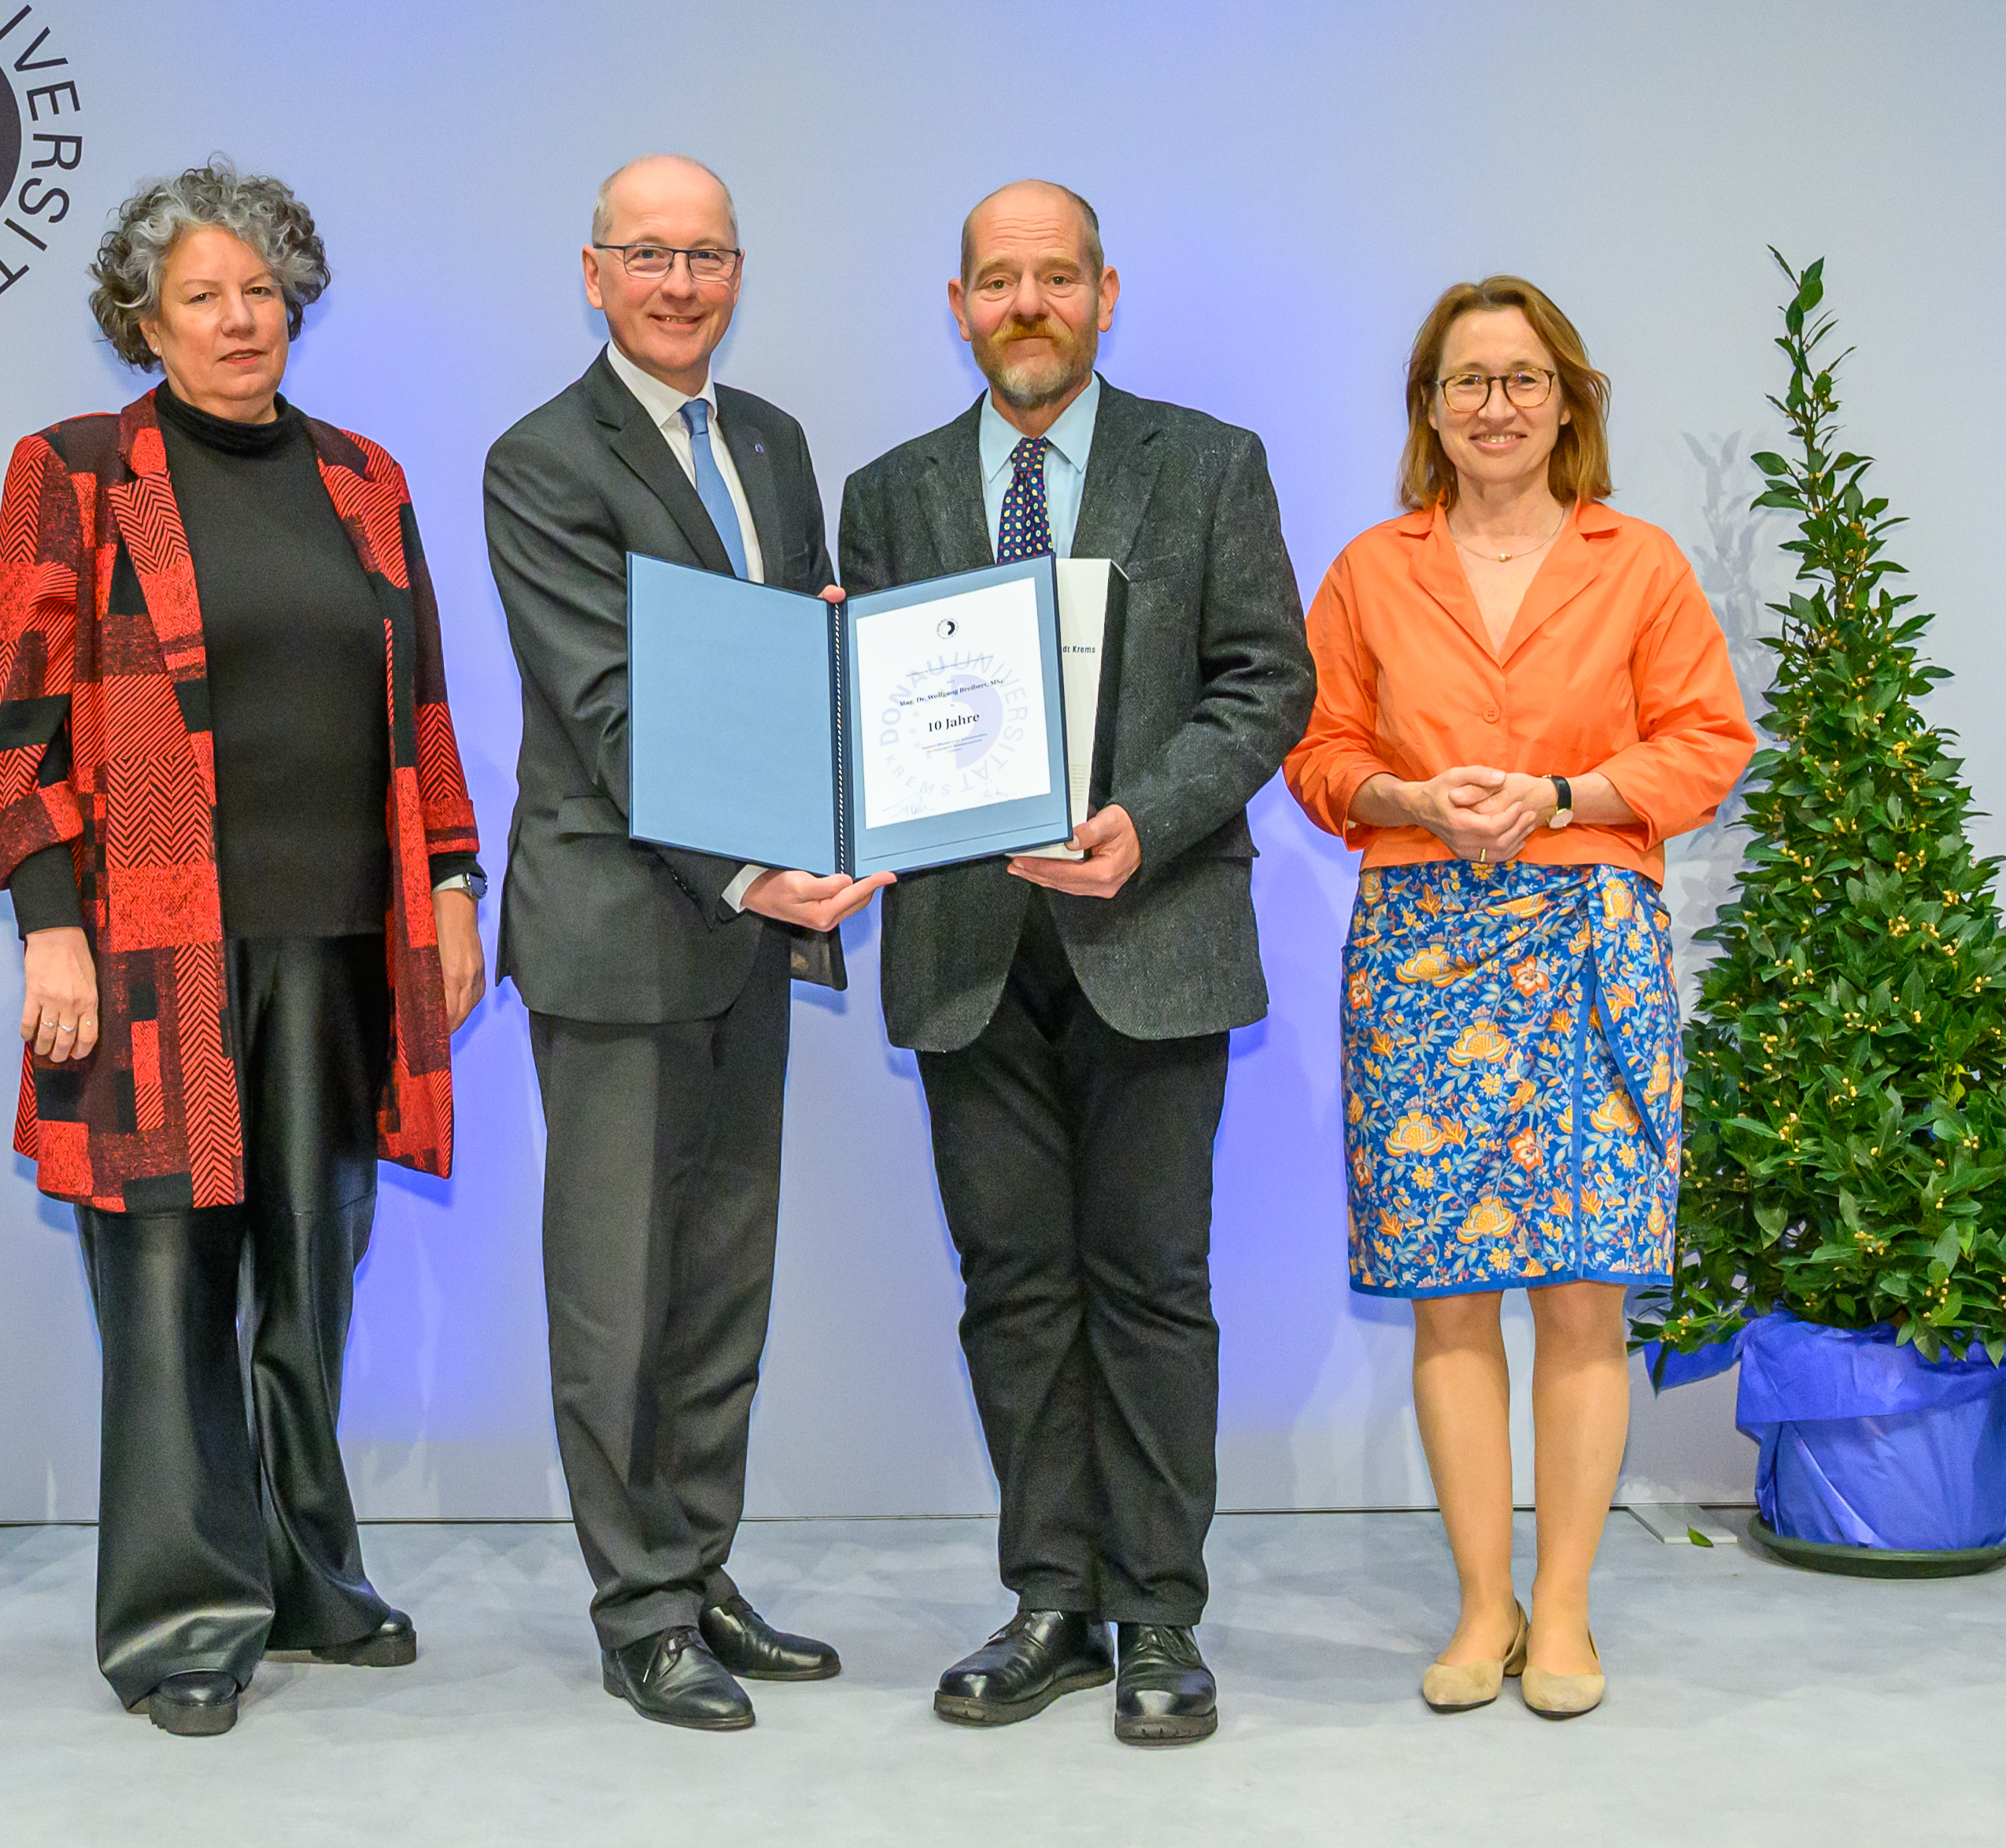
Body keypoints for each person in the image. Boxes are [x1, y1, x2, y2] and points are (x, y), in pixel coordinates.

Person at [0, 161, 486, 1738]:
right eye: (201, 294)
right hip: (147, 953)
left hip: (340, 942)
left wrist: (453, 884)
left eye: (261, 290)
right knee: (169, 1282)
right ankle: (182, 1615)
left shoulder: (364, 479)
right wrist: (49, 927)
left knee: (310, 1271)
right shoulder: (74, 470)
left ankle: (307, 1571)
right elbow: (18, 724)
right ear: (144, 319)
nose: (237, 317)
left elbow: (422, 703)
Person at [837, 181, 1317, 1747]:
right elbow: (873, 711)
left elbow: (1265, 680)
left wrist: (1143, 823)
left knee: (1151, 1282)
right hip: (966, 949)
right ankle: (1050, 1597)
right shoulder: (887, 492)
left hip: (1151, 931)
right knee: (1013, 1287)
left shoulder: (1210, 462)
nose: (1026, 304)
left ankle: (1159, 1610)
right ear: (958, 304)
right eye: (997, 280)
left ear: (1107, 293)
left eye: (1056, 277)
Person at [1284, 275, 1755, 1718]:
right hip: (1419, 946)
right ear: (1428, 410)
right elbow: (1315, 748)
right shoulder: (1370, 569)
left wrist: (1563, 793)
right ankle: (1481, 1605)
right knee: (1448, 1300)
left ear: (1567, 403)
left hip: (1589, 944)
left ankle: (1563, 1611)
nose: (1494, 405)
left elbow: (1708, 740)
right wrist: (1405, 796)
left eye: (1522, 379)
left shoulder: (1638, 562)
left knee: (1581, 1295)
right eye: (1466, 381)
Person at [483, 153, 879, 1732]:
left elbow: (790, 666)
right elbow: (606, 701)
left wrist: (840, 785)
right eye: (646, 255)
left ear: (737, 273)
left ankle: (700, 1565)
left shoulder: (771, 441)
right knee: (616, 1292)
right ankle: (638, 1607)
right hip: (618, 925)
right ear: (593, 274)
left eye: (704, 255)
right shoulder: (540, 458)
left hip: (746, 931)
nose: (678, 283)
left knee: (721, 1278)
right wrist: (754, 867)